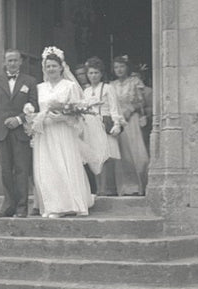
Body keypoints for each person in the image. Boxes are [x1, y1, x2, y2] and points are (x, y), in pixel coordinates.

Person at [29, 47, 95, 218]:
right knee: (48, 168)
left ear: (61, 67)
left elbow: (78, 113)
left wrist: (64, 118)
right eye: (48, 66)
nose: (51, 69)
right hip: (45, 133)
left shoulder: (70, 86)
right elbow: (35, 110)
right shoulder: (39, 88)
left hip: (63, 131)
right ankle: (53, 206)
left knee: (63, 165)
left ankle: (69, 205)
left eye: (54, 66)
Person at [0, 49, 38, 218]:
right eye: (9, 61)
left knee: (22, 169)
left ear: (21, 61)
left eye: (15, 60)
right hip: (2, 133)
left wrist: (19, 119)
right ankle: (9, 205)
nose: (12, 63)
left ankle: (22, 207)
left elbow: (34, 106)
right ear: (4, 62)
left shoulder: (30, 81)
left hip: (21, 132)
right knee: (6, 170)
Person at [108, 55, 151, 196]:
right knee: (122, 155)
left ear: (127, 67)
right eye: (116, 67)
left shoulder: (135, 82)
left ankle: (141, 186)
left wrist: (130, 109)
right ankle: (126, 187)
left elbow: (142, 102)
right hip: (118, 122)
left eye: (121, 66)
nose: (119, 70)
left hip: (132, 121)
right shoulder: (111, 85)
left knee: (138, 154)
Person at [79, 57, 122, 196]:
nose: (93, 76)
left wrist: (117, 123)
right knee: (93, 156)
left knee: (106, 156)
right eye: (90, 73)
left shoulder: (108, 88)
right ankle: (97, 189)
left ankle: (107, 188)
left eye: (96, 73)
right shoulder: (85, 91)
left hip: (104, 123)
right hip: (90, 125)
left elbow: (114, 108)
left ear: (101, 74)